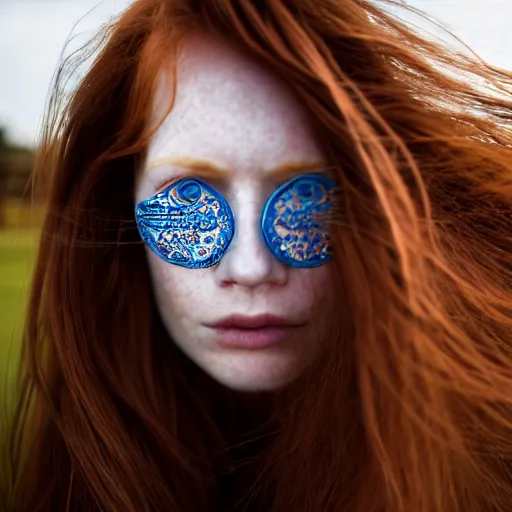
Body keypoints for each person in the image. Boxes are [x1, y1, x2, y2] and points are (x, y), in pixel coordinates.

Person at [4, 0, 512, 510]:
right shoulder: (82, 472)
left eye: (309, 197)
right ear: (121, 204)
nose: (250, 268)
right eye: (191, 202)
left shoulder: (480, 461)